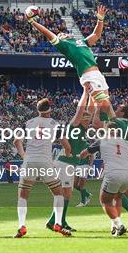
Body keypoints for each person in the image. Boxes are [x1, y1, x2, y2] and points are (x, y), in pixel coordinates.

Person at [27, 5, 114, 120]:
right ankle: (114, 126)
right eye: (59, 35)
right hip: (89, 76)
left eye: (62, 33)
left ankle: (90, 126)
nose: (61, 34)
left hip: (98, 74)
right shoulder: (64, 46)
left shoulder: (81, 41)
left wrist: (100, 19)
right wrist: (32, 22)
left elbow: (96, 35)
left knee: (101, 103)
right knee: (104, 104)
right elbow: (47, 32)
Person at [13, 98, 72, 238]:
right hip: (45, 161)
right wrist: (68, 155)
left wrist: (24, 156)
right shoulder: (54, 124)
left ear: (37, 110)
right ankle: (58, 223)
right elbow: (67, 146)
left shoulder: (28, 123)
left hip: (30, 161)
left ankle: (21, 226)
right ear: (50, 109)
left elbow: (16, 141)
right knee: (58, 193)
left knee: (23, 196)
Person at [46, 91, 92, 232]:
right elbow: (80, 110)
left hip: (68, 164)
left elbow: (89, 109)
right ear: (81, 119)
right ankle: (58, 222)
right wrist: (85, 92)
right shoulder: (74, 126)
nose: (89, 120)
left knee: (65, 194)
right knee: (65, 194)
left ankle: (57, 221)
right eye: (86, 118)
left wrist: (94, 95)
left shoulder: (83, 131)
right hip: (64, 163)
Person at [79, 121, 128, 237]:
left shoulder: (102, 141)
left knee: (105, 201)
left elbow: (84, 153)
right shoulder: (125, 142)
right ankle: (114, 226)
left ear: (107, 131)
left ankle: (119, 225)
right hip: (127, 175)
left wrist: (78, 157)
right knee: (118, 198)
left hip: (113, 174)